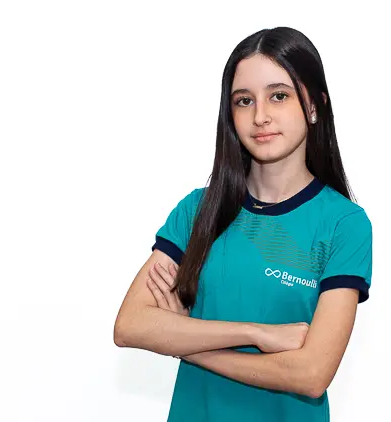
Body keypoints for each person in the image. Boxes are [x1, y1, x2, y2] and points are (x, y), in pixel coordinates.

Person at [114, 26, 373, 422]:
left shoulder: (344, 224)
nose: (260, 116)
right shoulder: (197, 211)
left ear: (315, 105)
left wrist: (185, 341)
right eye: (244, 100)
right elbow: (131, 325)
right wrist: (257, 334)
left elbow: (310, 375)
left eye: (279, 95)